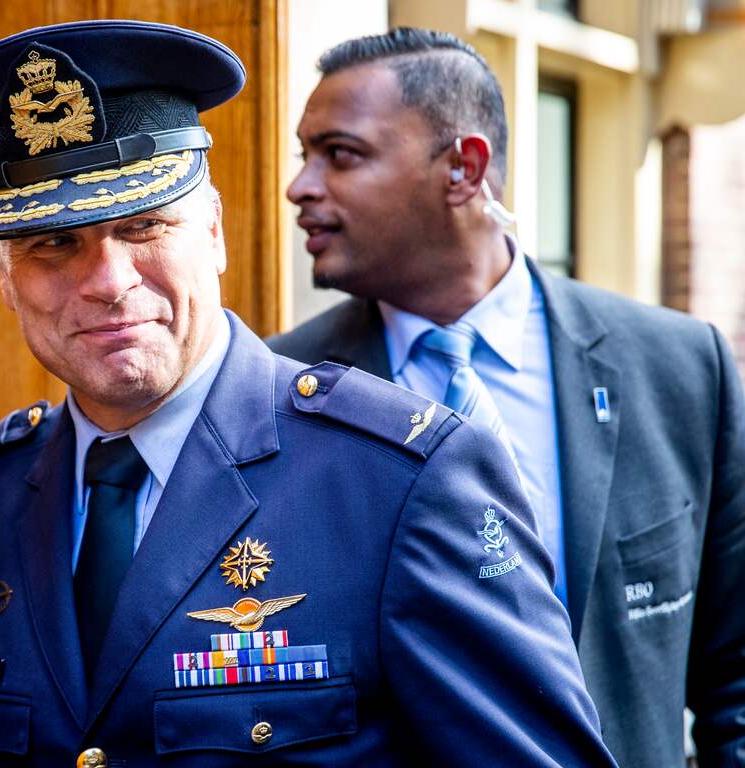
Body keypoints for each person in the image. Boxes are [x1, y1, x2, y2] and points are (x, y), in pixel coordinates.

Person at [0, 20, 617, 767]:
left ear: (212, 233)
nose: (108, 281)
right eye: (54, 243)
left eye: (144, 226)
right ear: (7, 279)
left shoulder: (401, 482)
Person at [268, 26, 745, 768]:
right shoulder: (276, 391)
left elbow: (734, 677)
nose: (300, 186)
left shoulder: (681, 368)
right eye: (306, 154)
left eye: (341, 153)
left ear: (464, 168)